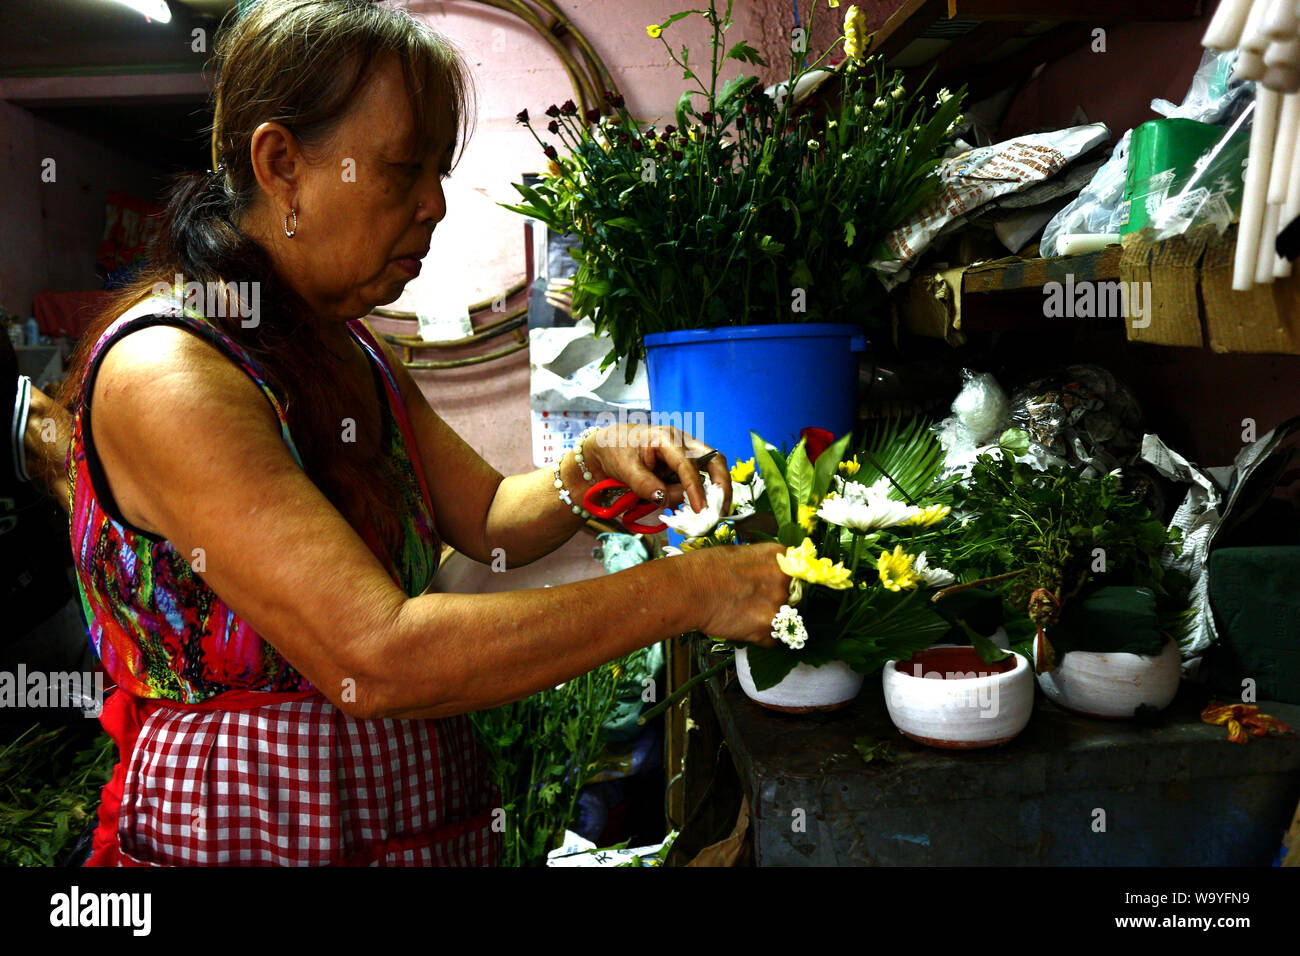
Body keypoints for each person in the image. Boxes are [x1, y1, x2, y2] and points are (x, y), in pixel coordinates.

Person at [55, 0, 788, 866]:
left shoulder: (350, 344)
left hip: (408, 814)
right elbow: (377, 652)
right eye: (403, 171)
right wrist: (691, 592)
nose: (434, 205)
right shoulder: (169, 373)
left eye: (438, 171)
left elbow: (486, 516)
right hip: (253, 829)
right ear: (281, 162)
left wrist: (594, 463)